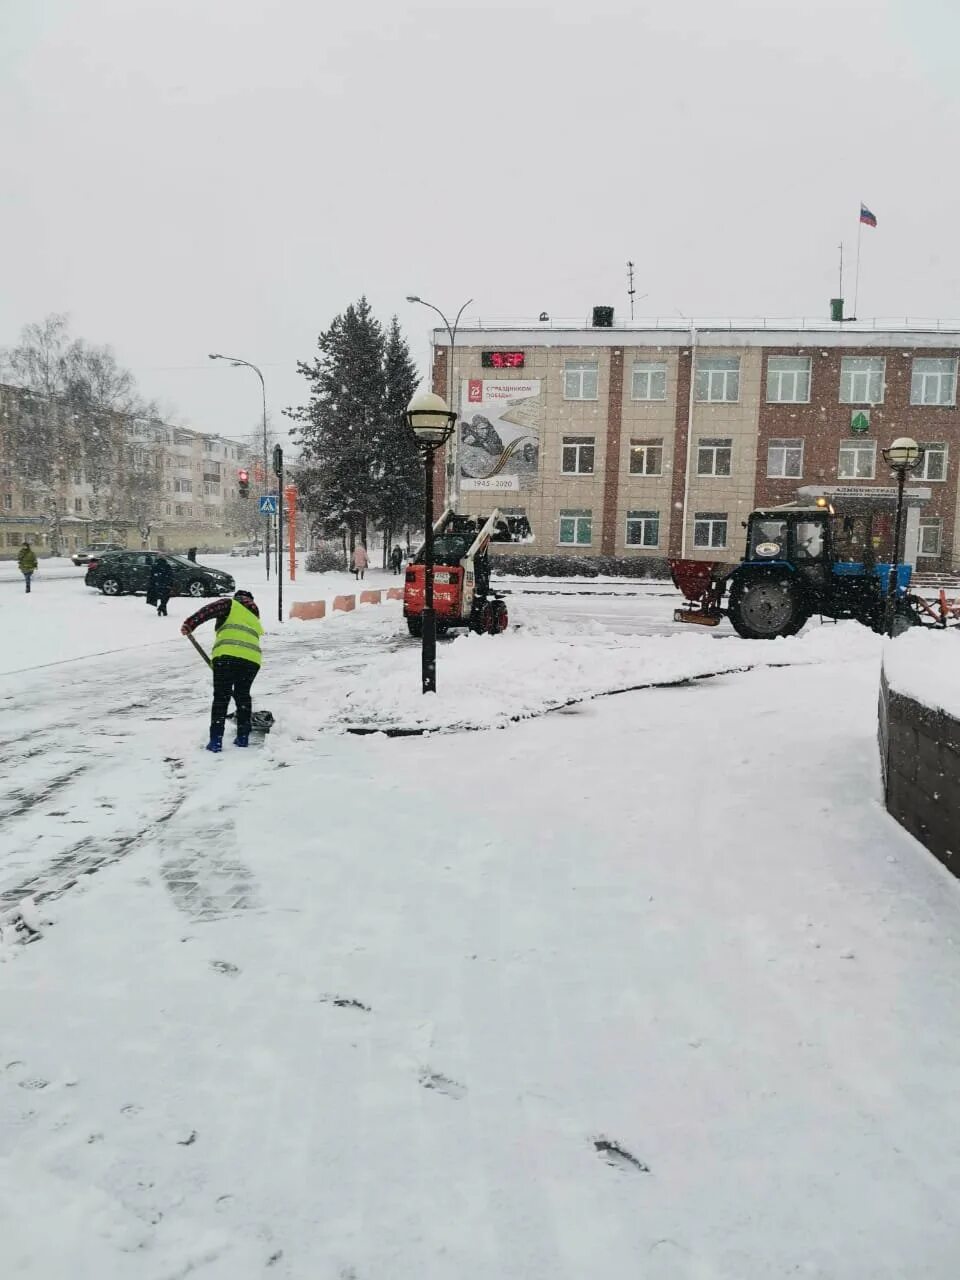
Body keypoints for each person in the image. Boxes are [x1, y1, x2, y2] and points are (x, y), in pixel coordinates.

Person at [181, 589, 263, 752]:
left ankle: (216, 741)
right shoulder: (254, 617)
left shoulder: (230, 603)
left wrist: (190, 624)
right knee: (242, 696)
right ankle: (243, 737)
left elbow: (208, 610)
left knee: (221, 697)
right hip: (252, 660)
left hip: (226, 656)